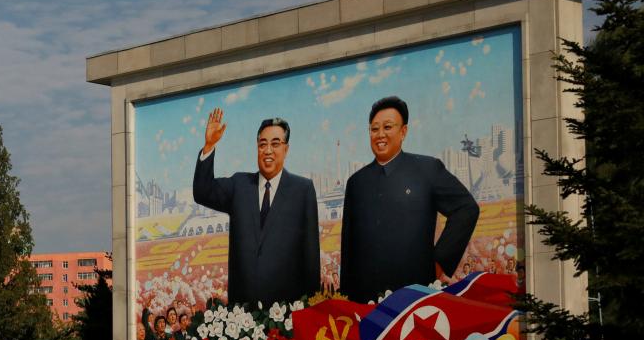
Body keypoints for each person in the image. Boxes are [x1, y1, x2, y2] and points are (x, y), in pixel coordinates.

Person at [339, 96, 480, 304]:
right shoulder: (356, 182)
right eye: (374, 129)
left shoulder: (427, 169)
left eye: (387, 127)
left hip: (414, 298)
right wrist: (346, 300)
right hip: (364, 302)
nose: (380, 135)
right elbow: (348, 248)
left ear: (403, 131)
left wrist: (439, 262)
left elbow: (466, 208)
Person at [192, 110, 321, 306]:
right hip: (243, 317)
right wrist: (209, 146)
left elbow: (311, 258)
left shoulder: (302, 189)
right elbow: (202, 191)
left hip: (287, 316)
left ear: (286, 149)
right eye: (263, 144)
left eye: (275, 144)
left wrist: (310, 309)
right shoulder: (239, 185)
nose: (268, 150)